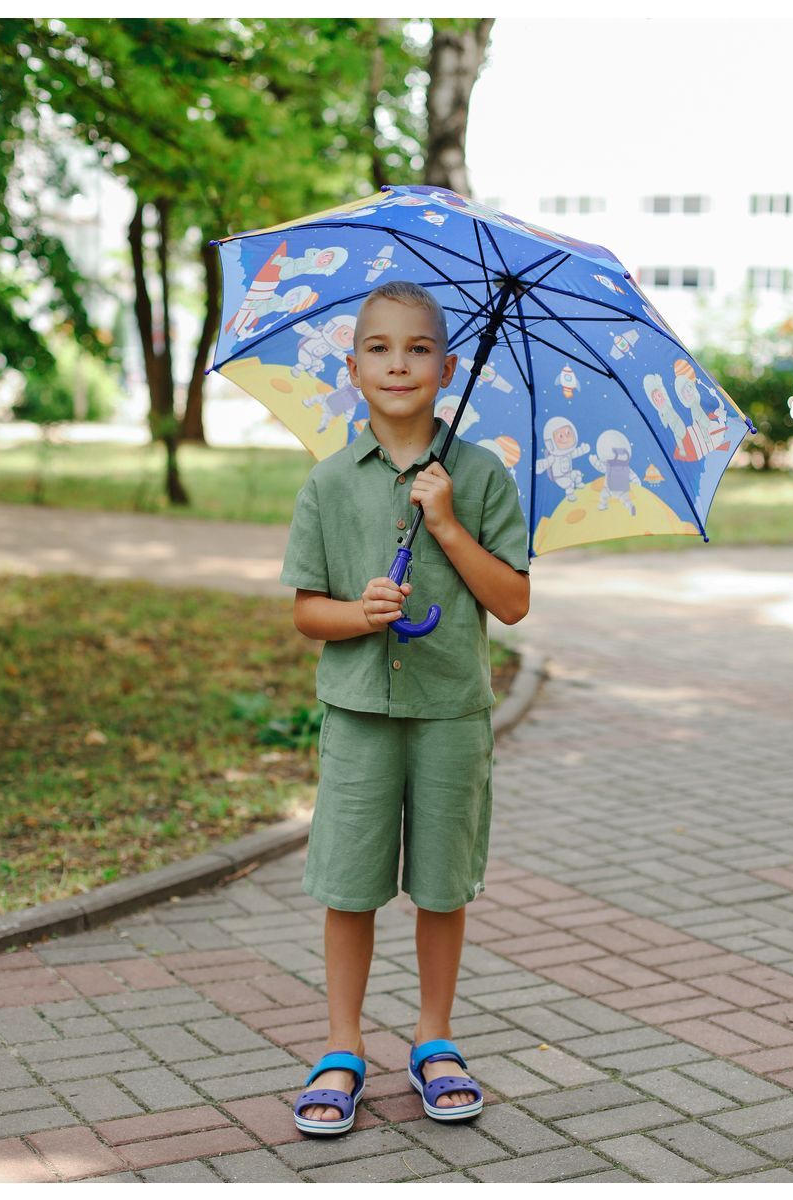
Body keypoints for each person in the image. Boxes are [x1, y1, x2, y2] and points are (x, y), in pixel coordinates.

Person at [280, 280, 530, 1136]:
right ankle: (341, 1047)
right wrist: (359, 615)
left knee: (440, 883)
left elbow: (515, 603)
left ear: (449, 366)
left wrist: (449, 525)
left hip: (449, 715)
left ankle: (433, 1038)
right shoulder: (327, 484)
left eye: (418, 348)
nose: (399, 363)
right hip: (356, 714)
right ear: (353, 369)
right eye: (379, 349)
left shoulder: (481, 476)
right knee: (348, 886)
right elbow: (307, 609)